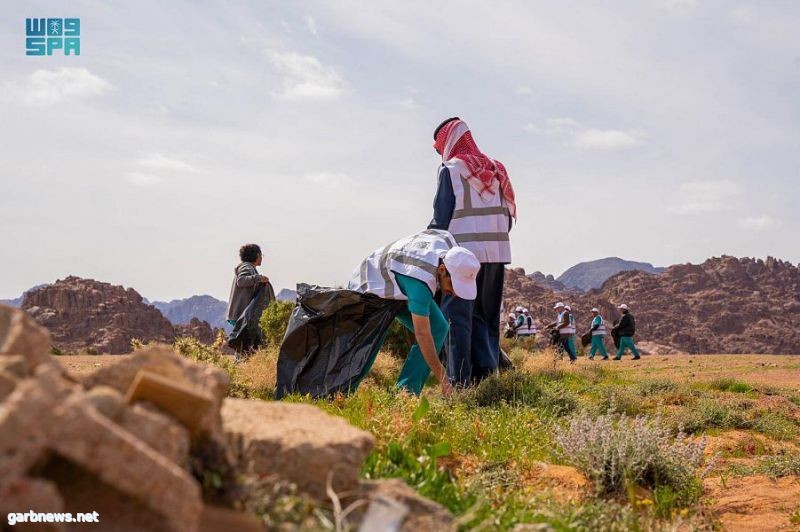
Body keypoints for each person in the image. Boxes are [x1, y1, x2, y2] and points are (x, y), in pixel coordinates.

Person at [427, 117, 517, 386]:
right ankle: (487, 379)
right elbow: (509, 217)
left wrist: (427, 249)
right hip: (496, 256)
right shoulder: (497, 169)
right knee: (486, 319)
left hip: (461, 258)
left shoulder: (452, 169)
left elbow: (440, 219)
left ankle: (460, 383)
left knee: (457, 319)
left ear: (448, 141)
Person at [348, 229, 481, 396]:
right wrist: (444, 379)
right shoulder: (421, 282)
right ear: (441, 270)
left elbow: (431, 233)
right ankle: (341, 391)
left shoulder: (449, 246)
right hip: (370, 285)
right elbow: (423, 335)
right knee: (370, 344)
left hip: (400, 279)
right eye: (453, 285)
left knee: (438, 328)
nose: (454, 293)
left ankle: (406, 393)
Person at [226, 243, 275, 357]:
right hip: (241, 315)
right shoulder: (246, 267)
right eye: (261, 255)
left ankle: (239, 366)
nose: (262, 257)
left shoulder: (249, 267)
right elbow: (241, 280)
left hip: (243, 314)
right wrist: (259, 278)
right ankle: (238, 368)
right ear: (257, 255)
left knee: (244, 344)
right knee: (243, 343)